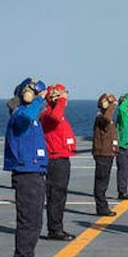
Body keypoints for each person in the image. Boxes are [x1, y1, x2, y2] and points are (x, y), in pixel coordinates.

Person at [5, 77, 50, 257]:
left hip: (34, 171)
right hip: (26, 173)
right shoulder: (21, 114)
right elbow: (27, 115)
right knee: (28, 220)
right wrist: (37, 98)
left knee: (35, 220)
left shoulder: (30, 115)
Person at [40, 83, 77, 241]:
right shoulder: (49, 113)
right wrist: (60, 101)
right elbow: (54, 117)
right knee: (56, 195)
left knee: (59, 195)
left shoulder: (56, 113)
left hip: (61, 157)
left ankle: (56, 227)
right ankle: (55, 229)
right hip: (55, 160)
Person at [93, 92, 119, 217]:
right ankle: (102, 207)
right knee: (101, 182)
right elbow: (107, 119)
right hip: (103, 154)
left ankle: (102, 206)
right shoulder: (102, 118)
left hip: (107, 153)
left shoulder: (104, 118)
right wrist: (112, 105)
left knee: (104, 180)